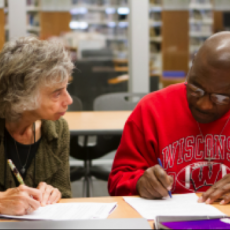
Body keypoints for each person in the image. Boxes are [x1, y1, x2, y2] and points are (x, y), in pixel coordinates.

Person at [109, 31, 230, 205]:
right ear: (191, 66)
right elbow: (117, 181)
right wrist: (139, 183)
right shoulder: (152, 109)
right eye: (196, 89)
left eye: (220, 98)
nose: (204, 105)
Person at [0, 36, 74, 215]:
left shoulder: (58, 130)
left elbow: (64, 194)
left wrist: (54, 194)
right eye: (57, 94)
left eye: (66, 88)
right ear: (21, 98)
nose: (69, 100)